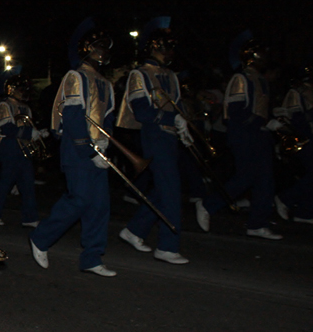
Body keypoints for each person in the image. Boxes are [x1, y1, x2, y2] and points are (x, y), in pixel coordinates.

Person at [29, 18, 118, 277]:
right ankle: (41, 237)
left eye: (106, 47)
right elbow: (73, 116)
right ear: (86, 49)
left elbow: (108, 117)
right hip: (77, 150)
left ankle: (92, 257)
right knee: (79, 200)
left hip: (98, 149)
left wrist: (105, 142)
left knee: (99, 205)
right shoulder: (76, 76)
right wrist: (88, 150)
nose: (103, 51)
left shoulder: (105, 82)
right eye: (99, 46)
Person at [116, 17, 192, 264]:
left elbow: (177, 106)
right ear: (155, 47)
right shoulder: (140, 74)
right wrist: (172, 118)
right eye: (167, 46)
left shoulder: (170, 75)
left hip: (169, 136)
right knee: (171, 192)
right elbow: (142, 111)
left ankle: (134, 230)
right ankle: (167, 246)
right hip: (154, 135)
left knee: (163, 189)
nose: (171, 51)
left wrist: (184, 127)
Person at [195, 32, 284, 239]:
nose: (266, 57)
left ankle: (257, 224)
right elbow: (235, 112)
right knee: (246, 177)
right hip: (244, 135)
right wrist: (263, 122)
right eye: (262, 53)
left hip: (260, 135)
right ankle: (208, 204)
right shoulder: (241, 78)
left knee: (265, 181)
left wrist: (272, 119)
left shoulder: (260, 79)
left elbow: (260, 109)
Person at [0, 74, 47, 227]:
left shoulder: (26, 107)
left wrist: (38, 133)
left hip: (23, 149)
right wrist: (29, 133)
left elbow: (27, 127)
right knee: (5, 183)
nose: (24, 92)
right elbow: (5, 128)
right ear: (11, 89)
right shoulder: (5, 105)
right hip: (10, 148)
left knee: (28, 185)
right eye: (21, 89)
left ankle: (30, 217)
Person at [274, 65, 313, 224]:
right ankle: (285, 198)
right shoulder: (295, 92)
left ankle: (304, 212)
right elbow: (296, 119)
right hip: (302, 140)